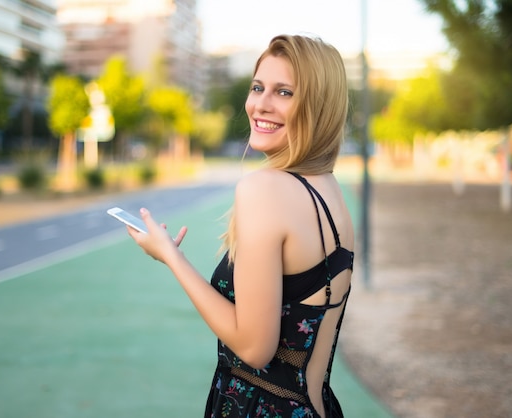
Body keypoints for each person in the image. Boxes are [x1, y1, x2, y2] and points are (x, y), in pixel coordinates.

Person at [127, 34, 355, 418]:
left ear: (317, 106)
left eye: (284, 93)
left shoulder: (264, 189)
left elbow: (254, 349)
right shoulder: (329, 191)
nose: (260, 105)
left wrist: (171, 258)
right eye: (257, 87)